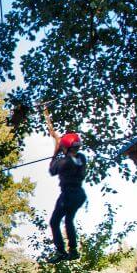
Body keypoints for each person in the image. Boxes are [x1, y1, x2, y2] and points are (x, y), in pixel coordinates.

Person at [45, 111, 88, 262]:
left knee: (54, 221)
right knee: (69, 220)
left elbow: (51, 170)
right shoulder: (81, 158)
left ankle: (60, 251)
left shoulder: (63, 162)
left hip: (68, 195)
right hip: (79, 195)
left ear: (65, 148)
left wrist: (56, 152)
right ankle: (73, 250)